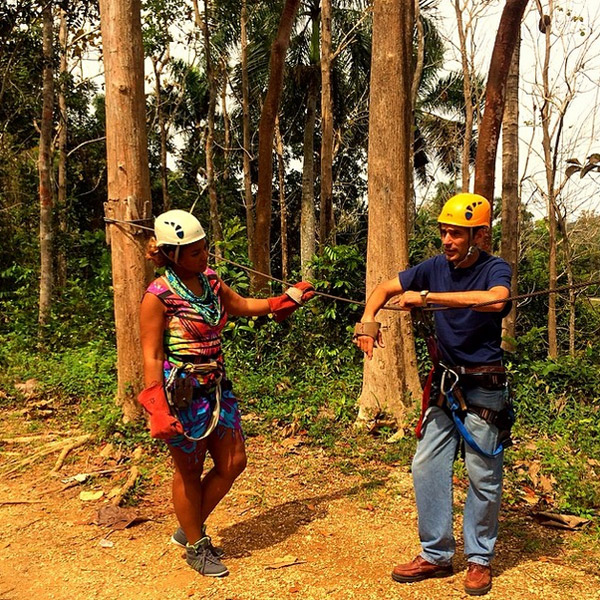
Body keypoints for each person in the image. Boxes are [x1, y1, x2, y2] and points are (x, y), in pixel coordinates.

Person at [138, 209, 314, 577]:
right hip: (180, 394)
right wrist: (157, 407)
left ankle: (189, 526)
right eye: (194, 253)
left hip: (217, 387)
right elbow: (152, 354)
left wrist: (283, 301)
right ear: (171, 254)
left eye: (204, 249)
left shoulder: (212, 282)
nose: (203, 257)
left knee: (234, 462)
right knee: (189, 470)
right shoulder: (158, 296)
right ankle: (196, 545)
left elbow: (242, 306)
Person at [353, 193, 512, 596]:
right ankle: (437, 554)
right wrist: (367, 321)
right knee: (425, 466)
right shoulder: (434, 267)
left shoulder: (495, 268)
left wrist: (427, 298)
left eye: (456, 233)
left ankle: (479, 560)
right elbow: (385, 287)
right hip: (446, 385)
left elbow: (495, 301)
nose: (446, 240)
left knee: (483, 476)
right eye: (443, 231)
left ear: (477, 236)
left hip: (484, 385)